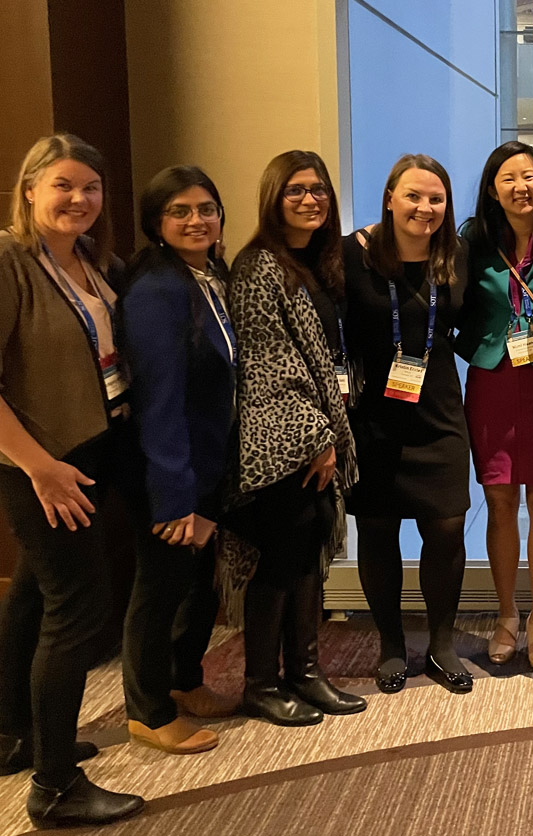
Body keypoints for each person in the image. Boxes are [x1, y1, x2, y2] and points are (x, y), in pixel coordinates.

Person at [0, 134, 144, 827]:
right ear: (29, 189)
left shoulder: (94, 261)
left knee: (33, 590)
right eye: (63, 185)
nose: (78, 199)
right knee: (78, 606)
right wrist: (41, 469)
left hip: (88, 449)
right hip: (36, 462)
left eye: (91, 187)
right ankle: (56, 786)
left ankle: (13, 738)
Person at [224, 150, 365, 726]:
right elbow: (270, 364)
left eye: (319, 189)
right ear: (274, 198)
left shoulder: (316, 264)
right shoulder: (260, 266)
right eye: (296, 190)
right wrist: (317, 438)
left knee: (306, 554)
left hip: (313, 434)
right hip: (282, 445)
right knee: (280, 559)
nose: (311, 199)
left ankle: (304, 673)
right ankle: (261, 683)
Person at [119, 166, 242, 756]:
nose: (197, 220)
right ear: (156, 221)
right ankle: (147, 711)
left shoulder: (209, 275)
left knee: (197, 583)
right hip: (171, 469)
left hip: (207, 461)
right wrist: (174, 497)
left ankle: (184, 681)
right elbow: (159, 400)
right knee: (160, 588)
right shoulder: (157, 290)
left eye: (206, 209)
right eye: (180, 211)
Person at [343, 154, 473, 695]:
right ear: (390, 199)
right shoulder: (353, 255)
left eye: (436, 198)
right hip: (373, 417)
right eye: (413, 196)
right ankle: (391, 644)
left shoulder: (456, 255)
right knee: (378, 530)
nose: (425, 207)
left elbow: (472, 323)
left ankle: (442, 644)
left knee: (445, 528)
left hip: (439, 412)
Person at [457, 142, 533, 670]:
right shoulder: (473, 242)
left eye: (530, 176)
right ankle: (506, 615)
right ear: (492, 189)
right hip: (493, 381)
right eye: (509, 178)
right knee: (499, 502)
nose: (521, 187)